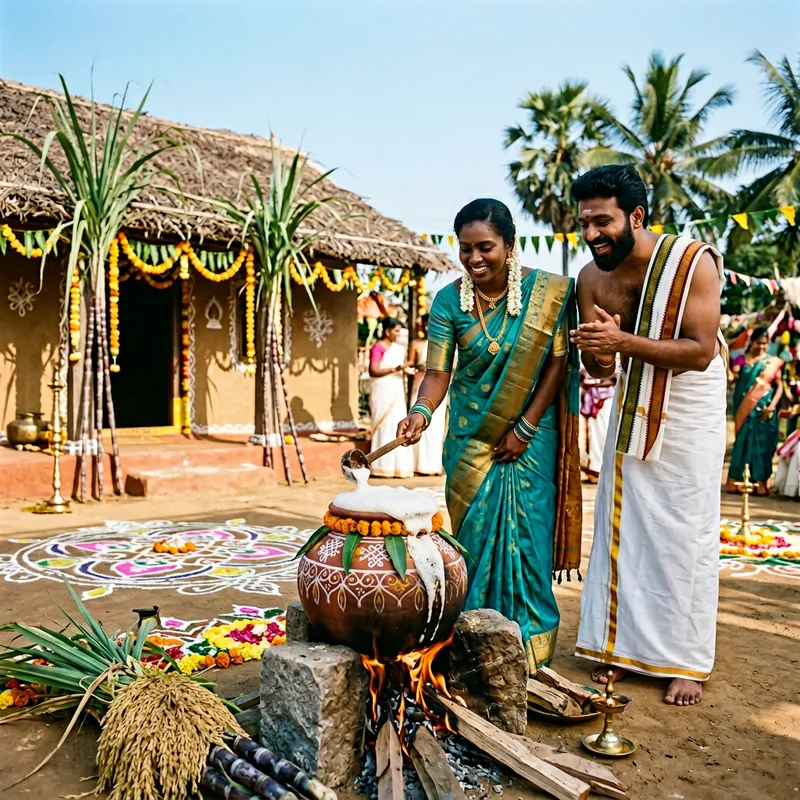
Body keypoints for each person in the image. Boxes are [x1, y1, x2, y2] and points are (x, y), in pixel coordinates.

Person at [397, 198, 583, 671]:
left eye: (486, 248)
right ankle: (475, 643)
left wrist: (525, 425)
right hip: (471, 440)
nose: (475, 259)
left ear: (510, 246)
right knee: (474, 543)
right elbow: (437, 373)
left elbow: (558, 363)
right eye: (465, 249)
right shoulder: (448, 301)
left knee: (530, 540)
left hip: (532, 438)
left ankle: (531, 651)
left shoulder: (547, 295)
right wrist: (420, 413)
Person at [569, 165, 727, 707]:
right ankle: (617, 648)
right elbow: (602, 370)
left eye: (603, 222)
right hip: (632, 399)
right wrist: (599, 352)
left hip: (691, 404)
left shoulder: (692, 263)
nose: (592, 235)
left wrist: (621, 341)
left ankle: (685, 660)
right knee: (623, 523)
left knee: (685, 527)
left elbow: (700, 351)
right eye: (584, 223)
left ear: (636, 216)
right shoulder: (591, 279)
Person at [726, 328, 783, 496]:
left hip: (764, 411)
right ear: (751, 342)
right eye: (759, 343)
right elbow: (732, 380)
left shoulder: (770, 363)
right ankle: (736, 481)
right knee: (742, 443)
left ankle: (760, 482)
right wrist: (725, 361)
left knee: (762, 445)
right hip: (744, 409)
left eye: (765, 343)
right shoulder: (741, 359)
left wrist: (772, 406)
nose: (762, 346)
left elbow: (779, 387)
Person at [369, 318, 414, 478]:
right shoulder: (378, 347)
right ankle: (381, 466)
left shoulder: (398, 349)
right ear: (387, 331)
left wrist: (404, 370)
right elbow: (373, 371)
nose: (398, 334)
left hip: (396, 392)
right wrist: (396, 368)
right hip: (382, 391)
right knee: (383, 425)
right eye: (396, 331)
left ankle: (398, 468)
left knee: (397, 424)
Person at [408, 315, 447, 475]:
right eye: (425, 323)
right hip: (420, 386)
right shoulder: (416, 344)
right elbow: (410, 364)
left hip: (439, 388)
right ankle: (417, 466)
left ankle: (432, 466)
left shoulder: (444, 343)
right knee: (416, 422)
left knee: (436, 427)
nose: (427, 326)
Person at [579, 366, 617, 482]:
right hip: (590, 399)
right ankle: (594, 468)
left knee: (603, 434)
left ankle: (600, 469)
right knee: (593, 435)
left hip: (605, 398)